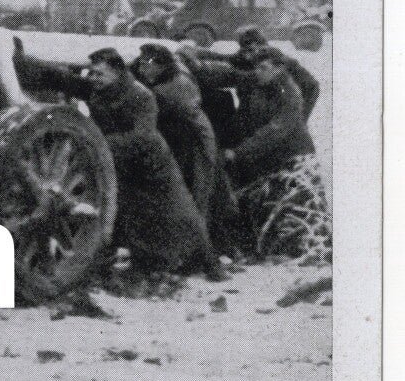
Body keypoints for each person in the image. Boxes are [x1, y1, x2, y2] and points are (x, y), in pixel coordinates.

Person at [77, 48, 222, 279]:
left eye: (99, 74)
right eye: (91, 73)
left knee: (183, 212)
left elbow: (144, 136)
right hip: (122, 159)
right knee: (127, 212)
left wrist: (99, 143)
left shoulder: (141, 95)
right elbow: (63, 80)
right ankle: (136, 263)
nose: (93, 79)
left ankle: (212, 265)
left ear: (117, 72)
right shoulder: (100, 90)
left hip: (153, 163)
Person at [224, 43, 329, 262]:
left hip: (293, 159)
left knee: (293, 208)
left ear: (279, 68)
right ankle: (265, 248)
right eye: (256, 67)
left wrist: (239, 152)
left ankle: (292, 250)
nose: (257, 72)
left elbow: (275, 130)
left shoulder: (290, 93)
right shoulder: (262, 87)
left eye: (263, 68)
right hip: (271, 156)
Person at [132, 42, 234, 251]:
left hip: (193, 144)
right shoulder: (167, 73)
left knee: (196, 196)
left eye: (146, 65)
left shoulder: (174, 87)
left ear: (161, 66)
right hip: (180, 140)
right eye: (140, 65)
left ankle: (197, 249)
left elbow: (188, 119)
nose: (141, 70)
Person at [235, 26, 320, 119]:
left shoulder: (275, 57)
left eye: (251, 48)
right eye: (245, 49)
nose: (248, 54)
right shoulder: (243, 58)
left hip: (275, 115)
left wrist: (297, 119)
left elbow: (311, 85)